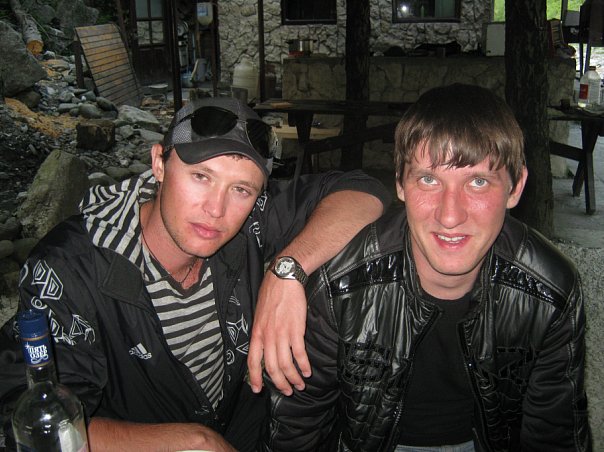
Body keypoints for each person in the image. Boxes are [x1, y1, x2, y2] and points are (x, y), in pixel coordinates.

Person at [0, 97, 391, 452]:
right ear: (159, 164)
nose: (216, 209)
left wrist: (288, 269)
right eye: (201, 176)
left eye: (241, 190)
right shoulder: (70, 268)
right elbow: (30, 421)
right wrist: (190, 441)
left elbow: (365, 190)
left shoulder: (253, 221)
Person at [260, 84, 592, 451]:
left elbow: (554, 434)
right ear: (400, 184)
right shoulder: (340, 284)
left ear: (515, 188)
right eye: (429, 180)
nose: (450, 215)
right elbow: (300, 426)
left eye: (478, 182)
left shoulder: (550, 290)